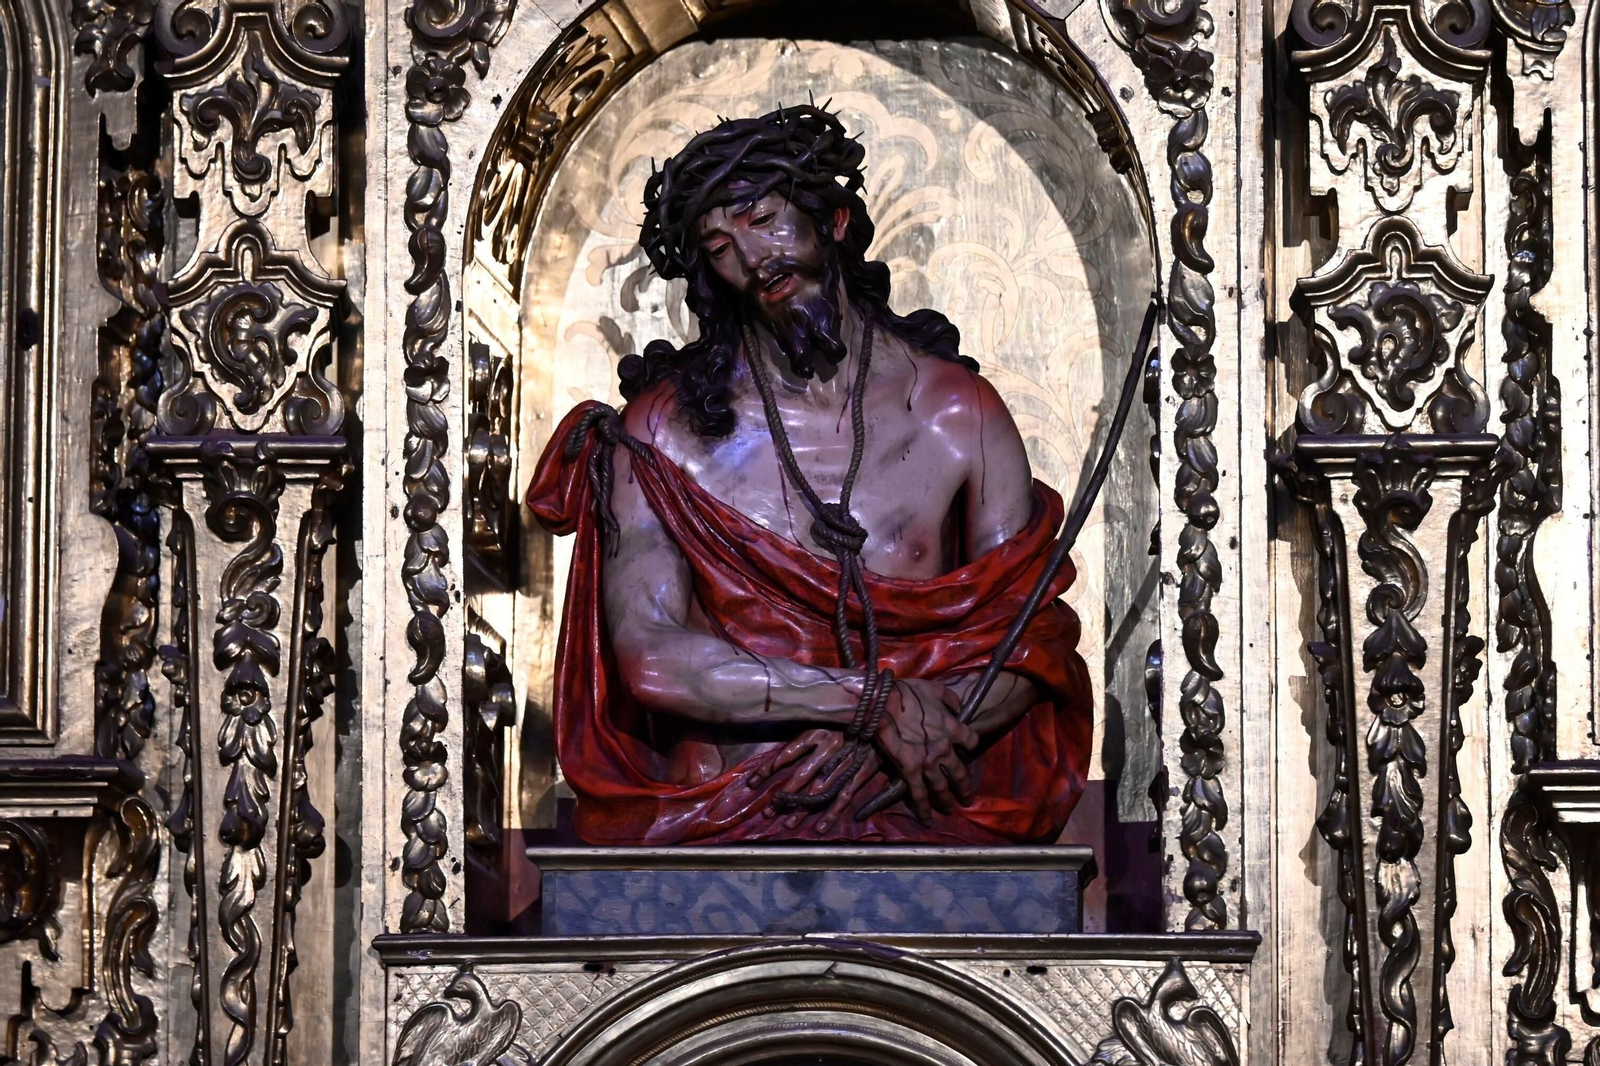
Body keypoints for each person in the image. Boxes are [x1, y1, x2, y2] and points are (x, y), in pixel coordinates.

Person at [526, 104, 1091, 844]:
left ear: (834, 220)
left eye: (765, 219)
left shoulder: (960, 415)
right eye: (721, 245)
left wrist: (897, 743)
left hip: (921, 809)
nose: (754, 259)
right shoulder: (663, 435)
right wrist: (866, 705)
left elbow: (1030, 641)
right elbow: (651, 656)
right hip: (721, 817)